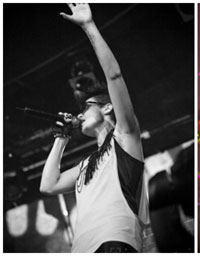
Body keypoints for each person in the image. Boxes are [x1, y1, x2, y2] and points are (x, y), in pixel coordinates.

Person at [40, 4, 147, 252]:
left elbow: (114, 77)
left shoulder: (124, 137)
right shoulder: (86, 164)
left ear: (108, 107)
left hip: (114, 240)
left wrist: (89, 26)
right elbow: (48, 186)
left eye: (86, 107)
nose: (80, 113)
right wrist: (61, 138)